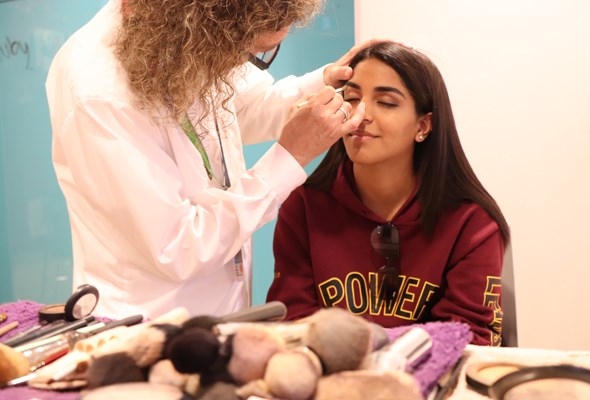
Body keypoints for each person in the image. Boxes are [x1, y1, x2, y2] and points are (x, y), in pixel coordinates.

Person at [46, 0, 372, 319]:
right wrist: (291, 155)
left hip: (220, 315)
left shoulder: (184, 38)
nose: (246, 63)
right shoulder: (101, 96)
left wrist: (324, 82)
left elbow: (241, 106)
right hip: (149, 325)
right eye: (250, 51)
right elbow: (179, 247)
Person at [266, 41, 511, 346]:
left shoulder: (473, 224)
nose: (360, 114)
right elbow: (292, 325)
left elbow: (468, 338)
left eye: (386, 102)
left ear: (423, 125)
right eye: (352, 98)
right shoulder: (302, 206)